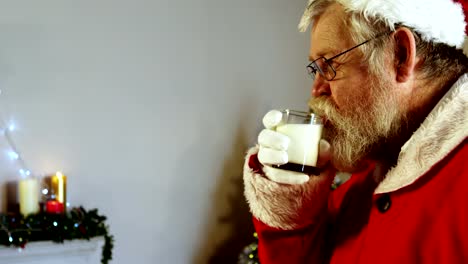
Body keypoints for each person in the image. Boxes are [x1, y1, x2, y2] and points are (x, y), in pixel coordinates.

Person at [243, 0, 468, 263]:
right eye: (315, 70)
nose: (316, 90)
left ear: (401, 55)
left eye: (329, 65)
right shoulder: (363, 185)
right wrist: (291, 208)